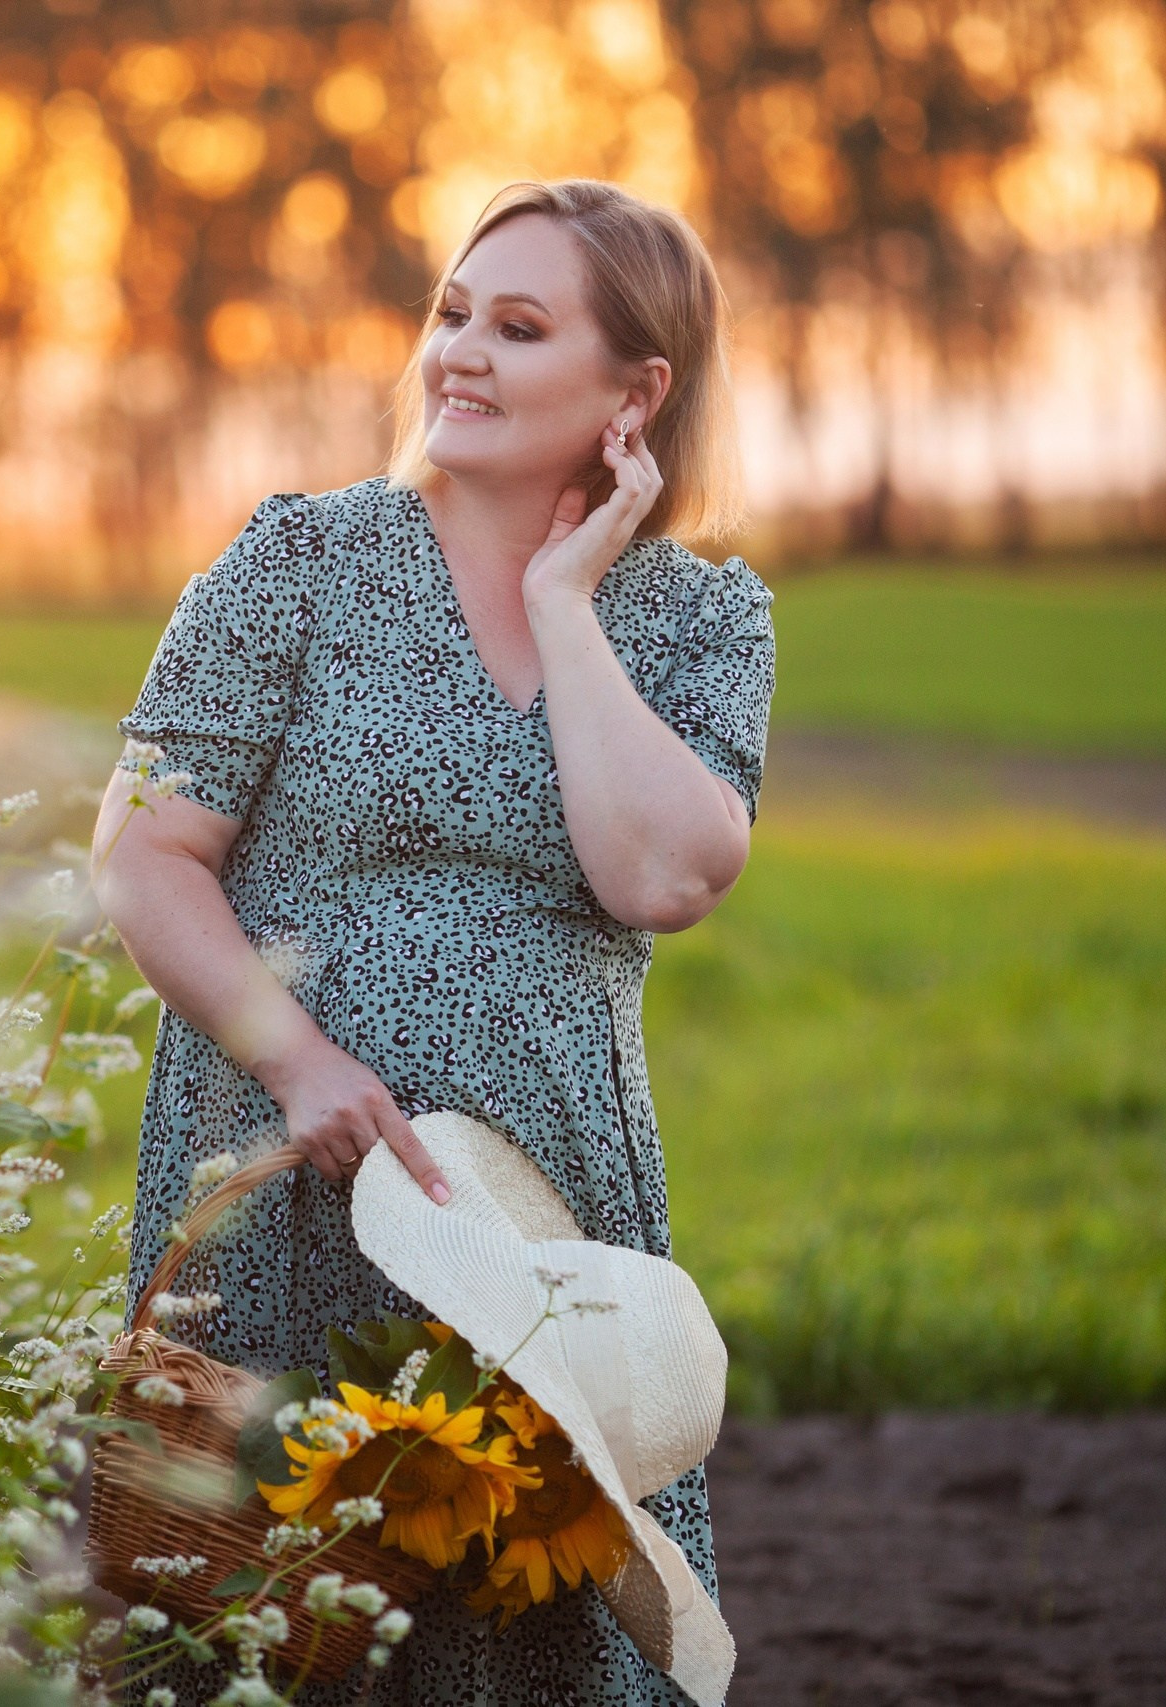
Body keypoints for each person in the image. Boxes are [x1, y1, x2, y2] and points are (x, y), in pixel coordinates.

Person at [90, 178, 774, 1704]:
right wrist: (300, 1064)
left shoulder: (699, 621)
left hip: (534, 1203)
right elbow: (142, 857)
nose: (456, 354)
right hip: (283, 1166)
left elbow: (662, 873)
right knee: (263, 1605)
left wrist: (567, 599)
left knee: (527, 1603)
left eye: (517, 328)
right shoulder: (299, 562)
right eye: (451, 314)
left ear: (636, 392)